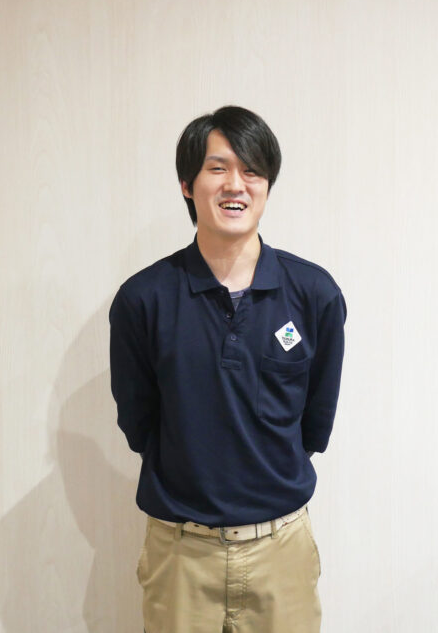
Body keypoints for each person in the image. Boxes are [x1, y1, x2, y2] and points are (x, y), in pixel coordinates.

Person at [109, 105, 346, 633]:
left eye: (252, 170)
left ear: (267, 186)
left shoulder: (314, 295)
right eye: (218, 168)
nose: (235, 184)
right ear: (187, 185)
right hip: (180, 552)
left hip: (281, 549)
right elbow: (138, 422)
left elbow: (315, 422)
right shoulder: (143, 300)